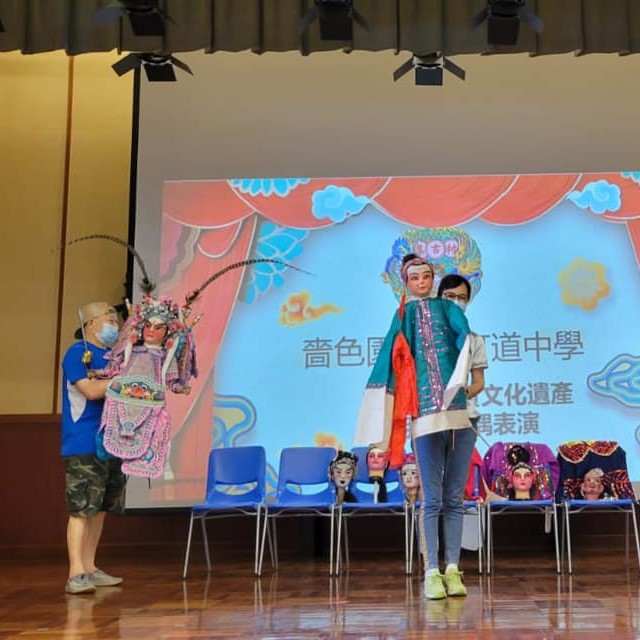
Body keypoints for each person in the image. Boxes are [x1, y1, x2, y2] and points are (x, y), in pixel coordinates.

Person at [355, 254, 472, 600]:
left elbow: (465, 338)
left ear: (433, 279)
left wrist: (464, 352)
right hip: (424, 413)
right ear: (405, 283)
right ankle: (431, 571)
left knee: (454, 496)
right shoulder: (403, 314)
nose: (421, 283)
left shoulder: (447, 308)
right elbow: (390, 357)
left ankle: (453, 569)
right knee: (431, 498)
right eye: (414, 278)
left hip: (460, 413)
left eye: (426, 277)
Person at [61, 302, 126, 595]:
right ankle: (75, 573)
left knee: (100, 508)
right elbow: (89, 390)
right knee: (82, 508)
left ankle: (90, 567)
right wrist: (123, 382)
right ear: (90, 324)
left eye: (116, 321)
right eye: (109, 320)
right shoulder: (78, 353)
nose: (115, 325)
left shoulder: (115, 356)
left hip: (113, 441)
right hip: (84, 441)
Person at [93, 294, 195, 479]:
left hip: (150, 405)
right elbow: (113, 369)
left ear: (167, 332)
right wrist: (98, 372)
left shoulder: (164, 357)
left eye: (158, 327)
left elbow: (172, 381)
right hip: (122, 401)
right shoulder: (130, 352)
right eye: (148, 325)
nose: (151, 330)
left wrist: (181, 388)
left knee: (157, 430)